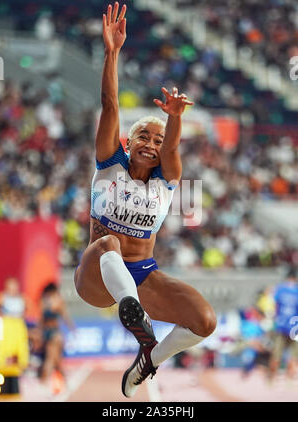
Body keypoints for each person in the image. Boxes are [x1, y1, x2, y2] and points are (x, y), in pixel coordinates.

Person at [74, 2, 217, 398]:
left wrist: (174, 117)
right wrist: (112, 53)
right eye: (144, 137)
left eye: (157, 140)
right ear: (128, 142)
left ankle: (147, 360)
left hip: (142, 275)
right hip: (98, 275)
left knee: (205, 320)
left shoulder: (168, 180)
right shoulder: (109, 164)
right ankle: (134, 316)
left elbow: (172, 147)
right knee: (108, 243)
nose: (151, 145)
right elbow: (110, 105)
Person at [39, 282, 74, 391]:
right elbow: (65, 316)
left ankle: (50, 383)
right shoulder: (57, 301)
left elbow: (41, 320)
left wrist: (40, 333)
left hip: (48, 332)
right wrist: (72, 328)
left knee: (53, 360)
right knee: (53, 360)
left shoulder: (44, 302)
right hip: (54, 332)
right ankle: (46, 383)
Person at [268, 267, 298, 381]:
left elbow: (275, 306)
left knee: (276, 353)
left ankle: (271, 378)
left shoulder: (280, 289)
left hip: (281, 325)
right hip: (295, 326)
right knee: (294, 355)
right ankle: (290, 379)